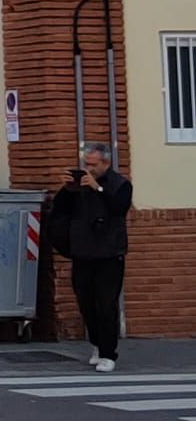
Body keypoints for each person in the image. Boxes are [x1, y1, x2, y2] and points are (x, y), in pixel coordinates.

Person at [50, 141, 132, 371]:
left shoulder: (120, 184)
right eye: (87, 164)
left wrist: (98, 188)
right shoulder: (79, 186)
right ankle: (96, 342)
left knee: (106, 305)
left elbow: (119, 209)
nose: (89, 169)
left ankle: (108, 354)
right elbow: (60, 209)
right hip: (83, 252)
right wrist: (67, 189)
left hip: (109, 255)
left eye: (93, 165)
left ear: (106, 163)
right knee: (85, 303)